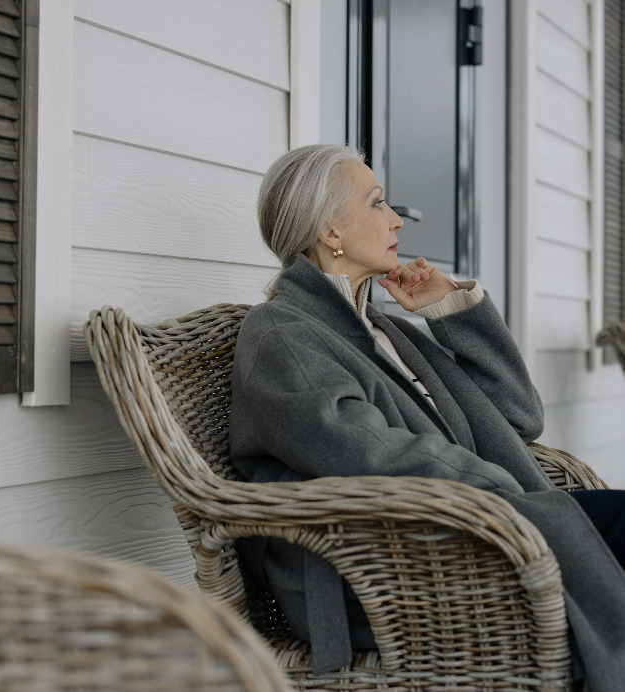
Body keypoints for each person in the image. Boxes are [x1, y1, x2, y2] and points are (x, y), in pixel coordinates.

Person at [228, 144, 625, 690]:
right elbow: (365, 455)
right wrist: (500, 491)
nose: (396, 219)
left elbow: (518, 416)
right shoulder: (282, 336)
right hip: (396, 570)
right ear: (331, 233)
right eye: (377, 203)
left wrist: (453, 312)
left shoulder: (385, 331)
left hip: (482, 525)